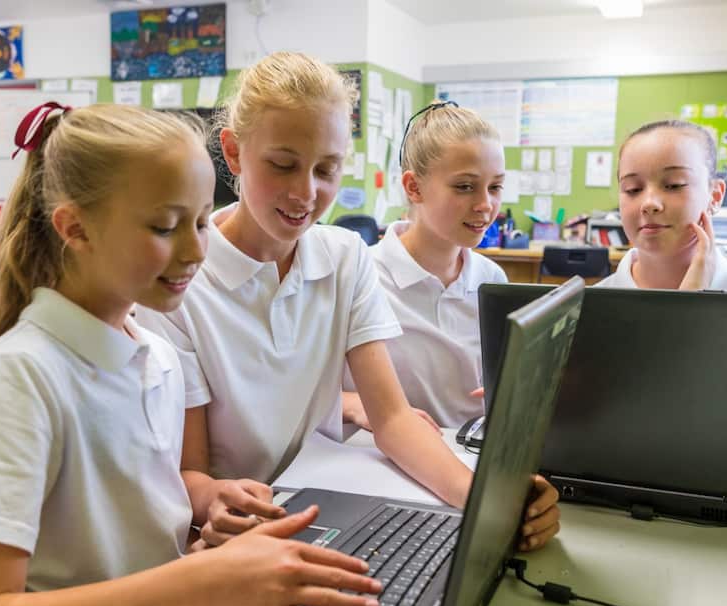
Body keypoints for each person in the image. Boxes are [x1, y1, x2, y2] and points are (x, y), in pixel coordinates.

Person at [0, 102, 382, 606]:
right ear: (75, 228)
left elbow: (138, 532)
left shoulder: (157, 355)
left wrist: (211, 506)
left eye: (200, 222)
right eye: (165, 227)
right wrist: (204, 581)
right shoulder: (24, 374)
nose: (198, 252)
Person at [135, 52, 560, 554]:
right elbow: (191, 472)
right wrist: (214, 501)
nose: (305, 191)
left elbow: (394, 419)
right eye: (283, 164)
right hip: (237, 540)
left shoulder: (344, 257)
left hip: (325, 508)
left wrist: (486, 502)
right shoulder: (182, 281)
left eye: (327, 168)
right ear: (233, 153)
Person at [341, 101, 508, 430]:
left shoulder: (492, 279)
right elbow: (306, 389)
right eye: (465, 186)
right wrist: (352, 403)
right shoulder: (362, 277)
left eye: (495, 187)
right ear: (413, 187)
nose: (486, 205)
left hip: (472, 455)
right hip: (376, 464)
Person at [599, 120, 727, 293]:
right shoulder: (585, 307)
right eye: (633, 189)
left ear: (715, 195)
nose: (649, 203)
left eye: (674, 185)